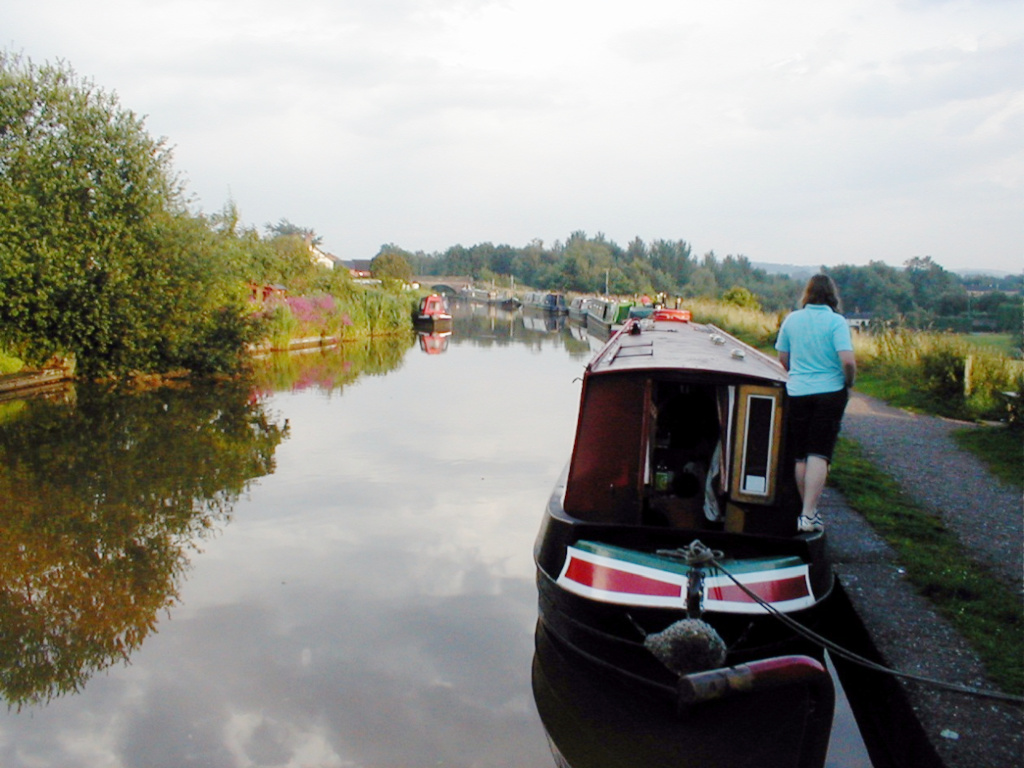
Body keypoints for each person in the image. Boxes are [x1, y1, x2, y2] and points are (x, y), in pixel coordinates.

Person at [775, 274, 856, 533]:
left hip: (798, 391)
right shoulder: (836, 322)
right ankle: (808, 514)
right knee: (819, 453)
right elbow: (847, 361)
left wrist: (797, 371)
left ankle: (807, 512)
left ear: (807, 294)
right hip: (830, 392)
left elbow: (783, 358)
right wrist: (849, 382)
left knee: (801, 455)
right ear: (832, 295)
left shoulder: (792, 319)